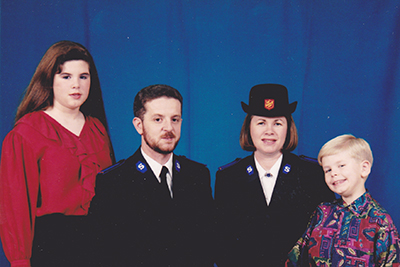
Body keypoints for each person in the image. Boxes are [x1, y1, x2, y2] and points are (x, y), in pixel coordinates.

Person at [0, 40, 114, 267]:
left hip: (102, 247)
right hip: (53, 249)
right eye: (66, 76)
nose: (77, 85)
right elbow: (16, 207)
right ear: (49, 80)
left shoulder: (97, 130)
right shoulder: (27, 133)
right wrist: (20, 261)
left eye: (84, 76)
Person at [89, 84, 214, 266]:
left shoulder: (197, 175)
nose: (168, 128)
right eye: (158, 120)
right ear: (139, 125)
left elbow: (207, 246)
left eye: (175, 119)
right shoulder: (114, 182)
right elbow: (103, 254)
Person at [214, 84, 335, 266]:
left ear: (288, 128)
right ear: (249, 127)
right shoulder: (229, 177)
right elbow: (221, 243)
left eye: (277, 123)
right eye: (261, 122)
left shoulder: (312, 175)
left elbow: (326, 237)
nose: (269, 131)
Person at [286, 134, 400, 266]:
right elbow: (296, 259)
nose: (333, 173)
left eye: (341, 166)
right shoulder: (322, 213)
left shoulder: (380, 221)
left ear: (364, 168)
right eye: (327, 170)